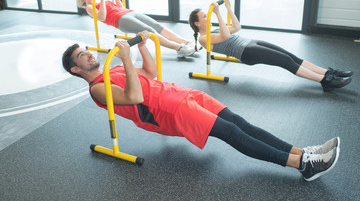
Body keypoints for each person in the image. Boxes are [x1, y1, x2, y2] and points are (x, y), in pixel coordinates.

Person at [62, 30, 340, 182]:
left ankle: (301, 151)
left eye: (85, 49)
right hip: (166, 110)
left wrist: (142, 46)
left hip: (180, 94)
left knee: (240, 123)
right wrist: (125, 59)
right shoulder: (98, 88)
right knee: (232, 133)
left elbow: (151, 73)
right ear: (76, 69)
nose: (87, 53)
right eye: (80, 55)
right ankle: (301, 164)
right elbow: (134, 97)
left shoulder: (109, 69)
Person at [188, 0, 353, 91]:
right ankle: (325, 80)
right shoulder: (203, 39)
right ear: (197, 23)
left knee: (291, 57)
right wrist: (217, 13)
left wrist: (228, 8)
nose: (206, 17)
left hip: (250, 43)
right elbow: (225, 35)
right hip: (247, 52)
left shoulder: (214, 29)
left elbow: (237, 27)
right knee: (286, 62)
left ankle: (329, 72)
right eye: (204, 16)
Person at [75, 0, 195, 58]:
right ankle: (179, 48)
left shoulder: (100, 2)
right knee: (150, 31)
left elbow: (121, 8)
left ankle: (185, 42)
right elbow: (101, 17)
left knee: (157, 26)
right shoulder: (89, 7)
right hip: (121, 20)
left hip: (129, 12)